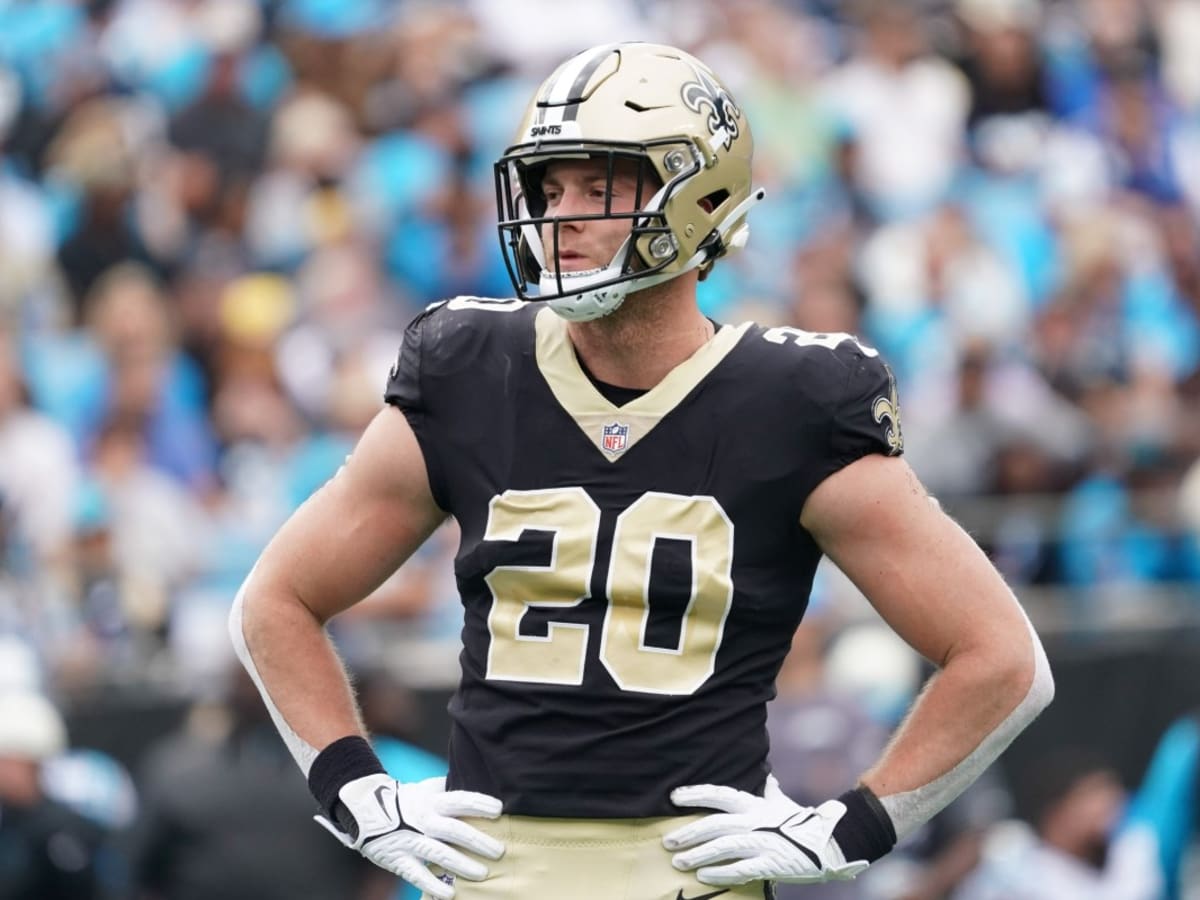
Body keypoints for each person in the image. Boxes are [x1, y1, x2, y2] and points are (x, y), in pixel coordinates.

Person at [230, 41, 1054, 900]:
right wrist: (356, 790)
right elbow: (275, 602)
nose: (563, 216)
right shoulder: (468, 367)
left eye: (599, 187)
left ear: (698, 197)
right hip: (487, 877)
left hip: (693, 880)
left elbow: (1003, 658)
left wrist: (851, 827)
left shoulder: (795, 398)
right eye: (550, 189)